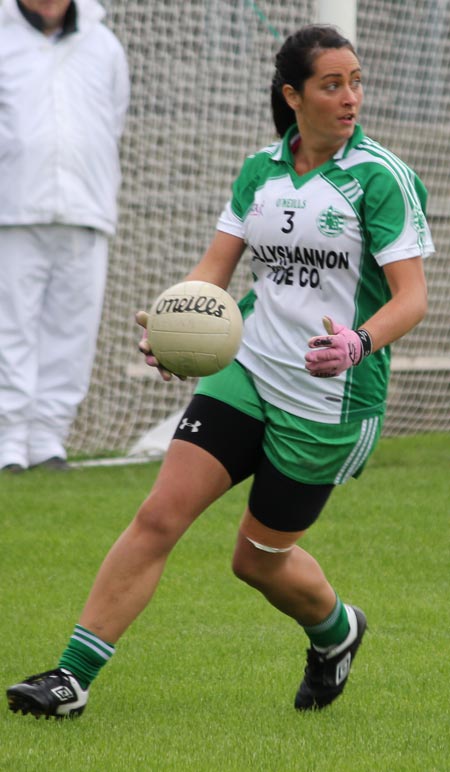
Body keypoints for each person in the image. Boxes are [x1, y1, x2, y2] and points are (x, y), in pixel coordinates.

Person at [6, 24, 433, 718]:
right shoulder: (259, 171)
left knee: (256, 561)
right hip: (250, 369)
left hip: (330, 401)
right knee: (158, 517)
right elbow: (215, 271)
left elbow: (412, 298)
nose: (351, 96)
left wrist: (357, 342)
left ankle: (336, 631)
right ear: (293, 95)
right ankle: (70, 679)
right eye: (333, 84)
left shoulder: (379, 178)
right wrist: (175, 327)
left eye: (356, 81)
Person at [0, 0, 129, 473]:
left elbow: (112, 120)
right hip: (10, 210)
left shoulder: (104, 46)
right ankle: (7, 444)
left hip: (85, 209)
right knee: (8, 329)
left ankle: (48, 442)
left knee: (73, 332)